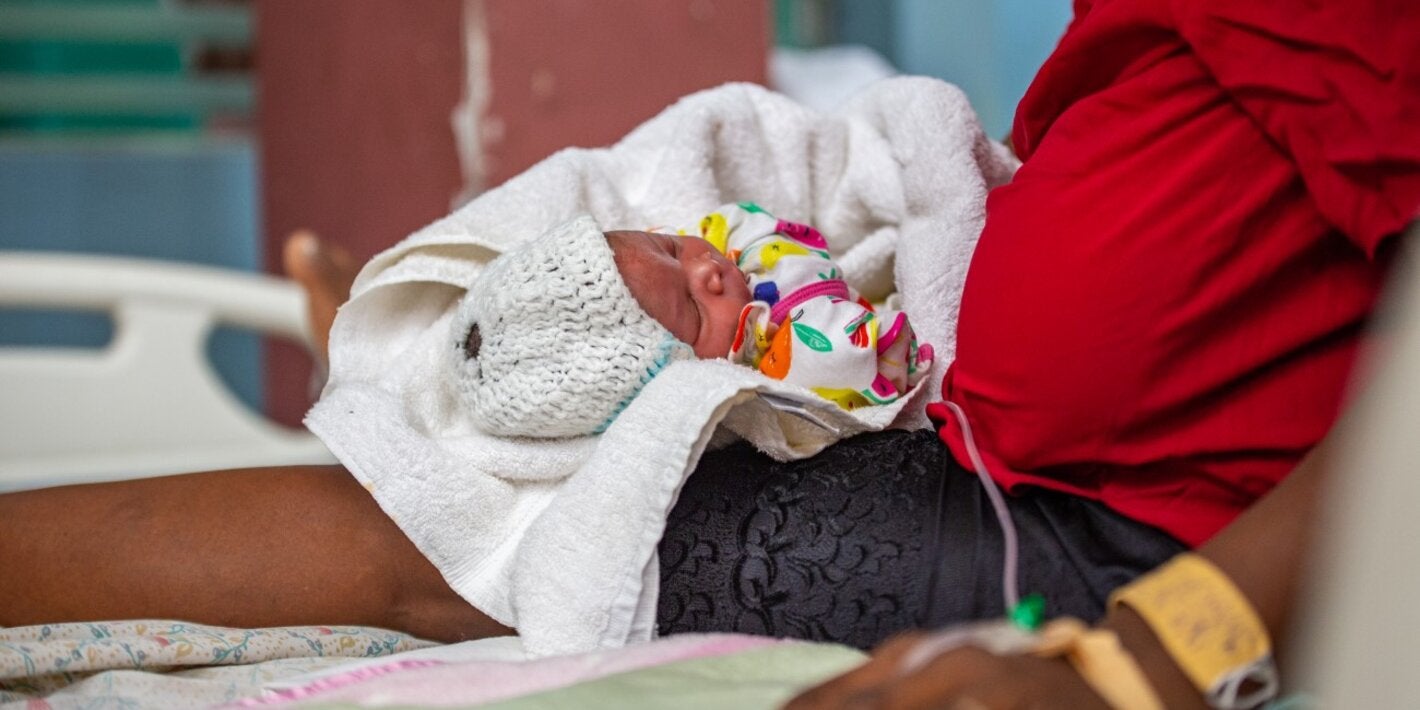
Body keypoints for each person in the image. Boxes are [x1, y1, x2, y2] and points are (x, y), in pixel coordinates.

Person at [1, 1, 1416, 707]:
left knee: (434, 535)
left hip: (1125, 539)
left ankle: (375, 337)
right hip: (989, 430)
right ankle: (395, 339)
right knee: (435, 478)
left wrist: (1162, 653)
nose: (713, 263)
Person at [455, 202, 933, 440]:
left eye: (671, 249)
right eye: (692, 304)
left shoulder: (724, 243)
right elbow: (862, 366)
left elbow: (748, 219)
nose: (707, 269)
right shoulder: (776, 366)